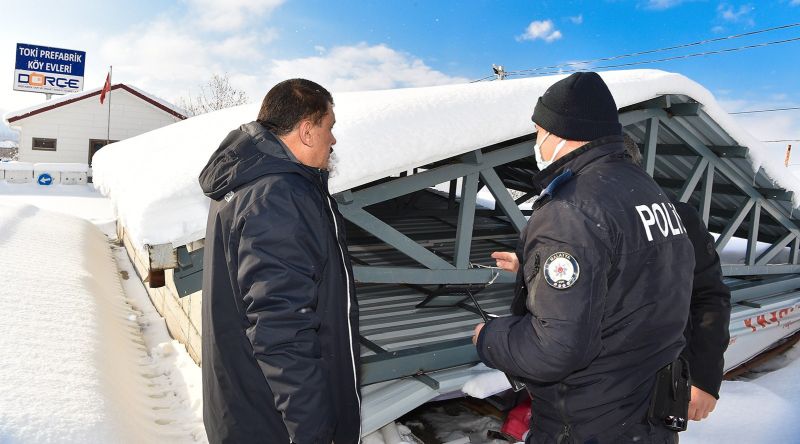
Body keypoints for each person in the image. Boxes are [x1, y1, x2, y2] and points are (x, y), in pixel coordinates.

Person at [473, 72, 695, 443]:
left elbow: (556, 348)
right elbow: (628, 280)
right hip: (645, 414)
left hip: (588, 423)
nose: (537, 142)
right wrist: (533, 267)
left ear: (559, 132)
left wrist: (490, 337)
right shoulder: (647, 191)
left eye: (539, 131)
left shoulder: (570, 208)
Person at [198, 79, 361, 444]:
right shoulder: (278, 196)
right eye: (329, 127)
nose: (332, 140)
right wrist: (314, 433)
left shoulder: (247, 183)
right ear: (307, 130)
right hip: (274, 425)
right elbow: (282, 330)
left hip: (246, 409)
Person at [622, 136, 732, 422]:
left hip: (656, 384)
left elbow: (709, 296)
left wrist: (704, 378)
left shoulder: (678, 218)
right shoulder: (579, 220)